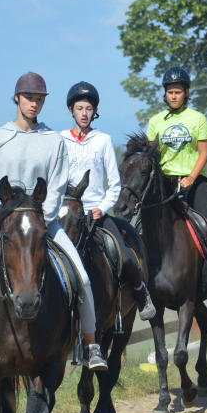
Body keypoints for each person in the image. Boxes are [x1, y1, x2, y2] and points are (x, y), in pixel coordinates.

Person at [0, 72, 107, 371]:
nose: (34, 104)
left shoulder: (53, 140)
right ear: (17, 98)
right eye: (29, 98)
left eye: (39, 99)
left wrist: (43, 217)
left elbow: (57, 182)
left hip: (43, 223)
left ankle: (90, 345)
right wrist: (1, 219)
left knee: (83, 278)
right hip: (4, 225)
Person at [61, 81, 155, 321]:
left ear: (95, 112)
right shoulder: (60, 140)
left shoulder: (103, 140)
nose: (84, 113)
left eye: (89, 109)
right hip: (67, 213)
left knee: (123, 255)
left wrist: (101, 208)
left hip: (95, 212)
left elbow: (114, 185)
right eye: (80, 108)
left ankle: (141, 293)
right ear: (71, 109)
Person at [146, 66, 207, 288]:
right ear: (165, 93)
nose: (173, 96)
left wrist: (190, 177)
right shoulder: (155, 121)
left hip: (194, 181)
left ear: (186, 93)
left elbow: (204, 154)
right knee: (146, 222)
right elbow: (152, 154)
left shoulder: (197, 118)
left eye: (178, 92)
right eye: (170, 92)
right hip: (166, 183)